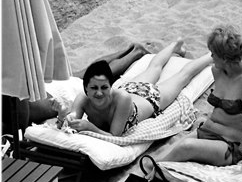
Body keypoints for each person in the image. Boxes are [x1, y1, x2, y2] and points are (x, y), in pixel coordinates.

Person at [69, 25, 242, 182]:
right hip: (205, 133)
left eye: (213, 53)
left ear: (225, 57)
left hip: (229, 147)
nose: (210, 57)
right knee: (156, 161)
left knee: (179, 150)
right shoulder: (217, 70)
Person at [60, 38, 211, 136]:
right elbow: (71, 120)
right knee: (153, 68)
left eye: (104, 88)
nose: (99, 93)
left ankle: (211, 56)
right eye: (94, 88)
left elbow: (115, 136)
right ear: (86, 88)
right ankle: (174, 46)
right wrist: (62, 115)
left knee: (182, 76)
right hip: (130, 88)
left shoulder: (122, 98)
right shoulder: (82, 98)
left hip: (149, 98)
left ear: (110, 86)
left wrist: (89, 127)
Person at [2, 42, 151, 132]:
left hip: (62, 95)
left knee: (94, 78)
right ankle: (131, 50)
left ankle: (135, 53)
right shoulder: (9, 87)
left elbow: (19, 125)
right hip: (48, 88)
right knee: (84, 73)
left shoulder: (11, 96)